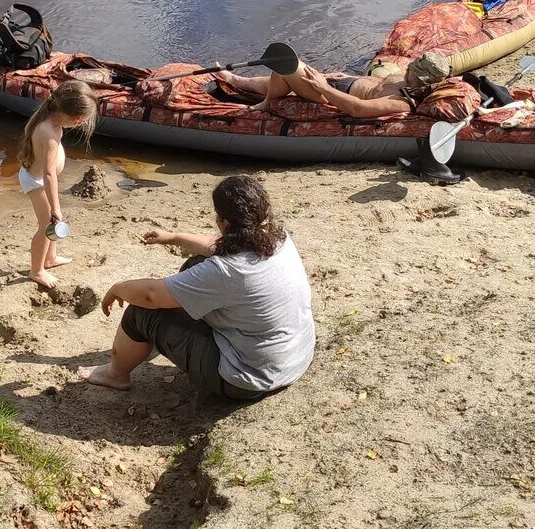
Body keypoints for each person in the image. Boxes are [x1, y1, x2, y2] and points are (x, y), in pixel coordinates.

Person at [77, 175, 314, 400]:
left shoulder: (227, 271)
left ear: (224, 223)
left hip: (248, 380)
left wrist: (117, 288)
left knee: (141, 311)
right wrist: (173, 237)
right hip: (295, 358)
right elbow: (221, 247)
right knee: (195, 264)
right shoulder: (278, 237)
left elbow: (150, 296)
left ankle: (115, 375)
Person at [17, 80, 98, 292]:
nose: (81, 124)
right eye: (80, 120)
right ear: (72, 117)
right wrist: (56, 207)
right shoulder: (49, 133)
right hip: (37, 182)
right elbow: (49, 173)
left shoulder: (52, 121)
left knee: (51, 223)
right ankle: (36, 270)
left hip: (42, 179)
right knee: (46, 225)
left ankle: (50, 258)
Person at [210, 50, 452, 119]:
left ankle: (266, 103)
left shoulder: (402, 102)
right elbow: (375, 82)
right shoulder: (403, 76)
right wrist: (342, 74)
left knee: (289, 65)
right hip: (341, 83)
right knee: (282, 74)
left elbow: (358, 108)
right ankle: (237, 80)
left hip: (330, 97)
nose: (409, 67)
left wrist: (324, 88)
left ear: (421, 81)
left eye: (414, 70)